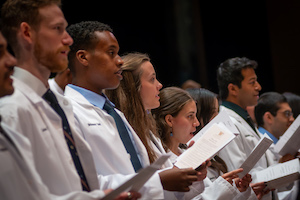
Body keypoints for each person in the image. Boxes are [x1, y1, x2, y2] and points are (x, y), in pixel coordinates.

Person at [0, 1, 140, 199]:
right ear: (27, 33)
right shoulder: (11, 108)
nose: (67, 40)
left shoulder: (58, 101)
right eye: (58, 29)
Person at [64, 21, 200, 199]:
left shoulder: (113, 112)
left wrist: (182, 176)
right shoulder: (68, 110)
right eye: (111, 53)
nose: (119, 61)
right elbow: (83, 184)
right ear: (83, 58)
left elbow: (138, 173)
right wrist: (158, 181)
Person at [105, 52, 212, 199]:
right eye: (152, 79)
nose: (159, 85)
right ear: (133, 87)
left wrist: (192, 174)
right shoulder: (121, 129)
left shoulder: (147, 131)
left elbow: (170, 192)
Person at [152, 86, 259, 200]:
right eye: (190, 116)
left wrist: (236, 189)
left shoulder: (184, 152)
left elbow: (205, 193)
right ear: (169, 120)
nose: (196, 123)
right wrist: (222, 188)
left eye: (195, 116)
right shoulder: (160, 162)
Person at [216, 57, 276, 199]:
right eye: (252, 82)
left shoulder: (244, 116)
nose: (258, 87)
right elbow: (237, 172)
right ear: (233, 89)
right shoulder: (225, 122)